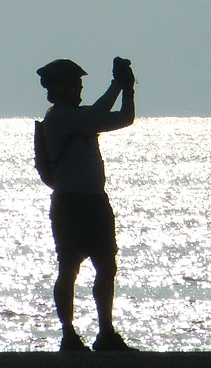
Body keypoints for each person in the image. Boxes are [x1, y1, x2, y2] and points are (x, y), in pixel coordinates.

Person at [36, 55, 136, 352]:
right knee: (69, 268)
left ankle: (106, 332)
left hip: (95, 203)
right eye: (77, 83)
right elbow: (96, 114)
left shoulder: (80, 117)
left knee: (107, 266)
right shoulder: (60, 118)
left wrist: (128, 90)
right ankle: (68, 334)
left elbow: (124, 118)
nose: (81, 88)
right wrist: (117, 84)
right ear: (62, 87)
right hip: (71, 205)